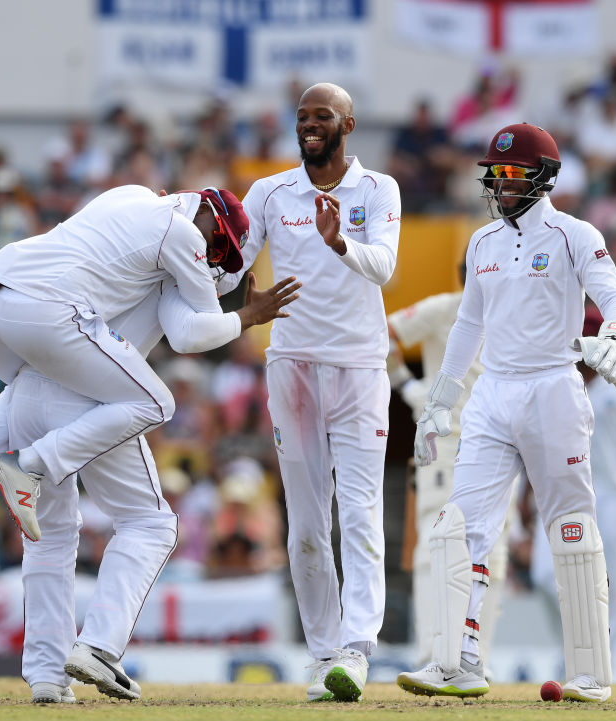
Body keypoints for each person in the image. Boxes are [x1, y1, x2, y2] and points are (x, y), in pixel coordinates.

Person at [0, 186, 299, 702]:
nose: (214, 262)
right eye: (218, 251)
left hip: (7, 313)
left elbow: (185, 317)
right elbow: (192, 334)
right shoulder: (183, 240)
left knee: (51, 535)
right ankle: (99, 645)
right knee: (151, 514)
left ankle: (44, 676)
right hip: (76, 371)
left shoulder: (129, 201)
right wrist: (246, 314)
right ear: (211, 223)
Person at [397, 123, 616, 703]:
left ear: (544, 177)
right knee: (461, 526)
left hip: (553, 387)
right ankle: (458, 662)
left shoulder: (574, 234)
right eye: (494, 175)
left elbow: (614, 296)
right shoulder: (482, 244)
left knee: (570, 527)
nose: (500, 184)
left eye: (512, 173)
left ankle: (589, 674)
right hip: (493, 394)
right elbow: (468, 326)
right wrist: (439, 403)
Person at [215, 82, 401, 702]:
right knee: (304, 525)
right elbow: (232, 266)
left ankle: (357, 646)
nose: (309, 125)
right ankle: (324, 656)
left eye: (321, 116)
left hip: (357, 367)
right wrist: (191, 248)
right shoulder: (270, 192)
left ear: (348, 122)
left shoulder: (378, 190)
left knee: (359, 511)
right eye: (302, 117)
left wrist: (339, 242)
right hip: (291, 365)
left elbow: (386, 267)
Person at [386, 264, 517, 673]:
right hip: (446, 445)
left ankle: (475, 659)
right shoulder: (446, 309)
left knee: (492, 550)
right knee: (434, 545)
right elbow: (380, 333)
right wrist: (407, 386)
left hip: (497, 450)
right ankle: (432, 656)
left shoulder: (515, 317)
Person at [529, 308, 616, 680]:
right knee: (541, 577)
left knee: (612, 585)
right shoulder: (552, 381)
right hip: (559, 491)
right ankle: (576, 649)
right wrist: (525, 499)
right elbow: (534, 444)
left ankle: (608, 671)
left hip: (614, 494)